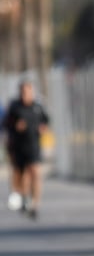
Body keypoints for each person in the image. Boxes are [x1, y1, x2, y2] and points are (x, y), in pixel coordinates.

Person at [2, 81, 50, 219]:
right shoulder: (15, 107)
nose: (25, 95)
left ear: (32, 92)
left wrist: (43, 128)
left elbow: (46, 121)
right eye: (23, 92)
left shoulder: (38, 106)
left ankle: (35, 204)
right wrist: (16, 126)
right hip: (18, 146)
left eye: (28, 92)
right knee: (22, 176)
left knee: (35, 172)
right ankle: (24, 199)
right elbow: (6, 124)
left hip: (33, 145)